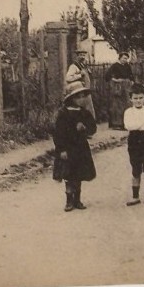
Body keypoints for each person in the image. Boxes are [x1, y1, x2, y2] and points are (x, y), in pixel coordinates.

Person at [51, 78, 98, 212]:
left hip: (81, 148)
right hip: (68, 148)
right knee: (68, 175)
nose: (81, 99)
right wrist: (61, 150)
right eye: (78, 97)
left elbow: (93, 128)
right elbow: (58, 134)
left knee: (78, 174)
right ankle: (69, 201)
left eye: (83, 96)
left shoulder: (84, 113)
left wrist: (85, 128)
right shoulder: (64, 114)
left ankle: (77, 199)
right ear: (71, 98)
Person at [123, 82, 144, 205]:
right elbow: (129, 126)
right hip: (134, 142)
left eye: (141, 98)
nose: (138, 101)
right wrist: (142, 124)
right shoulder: (128, 112)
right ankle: (135, 196)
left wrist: (137, 125)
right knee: (136, 169)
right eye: (135, 98)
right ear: (131, 99)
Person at [65, 47, 96, 120]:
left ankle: (90, 122)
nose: (82, 57)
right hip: (78, 91)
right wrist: (79, 75)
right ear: (77, 56)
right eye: (80, 55)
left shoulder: (84, 66)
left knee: (88, 107)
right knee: (81, 107)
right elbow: (68, 78)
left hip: (85, 90)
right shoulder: (73, 66)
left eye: (83, 55)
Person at [106, 51, 135, 131]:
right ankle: (117, 124)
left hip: (127, 87)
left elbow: (131, 75)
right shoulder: (115, 66)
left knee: (127, 103)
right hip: (118, 87)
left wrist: (132, 81)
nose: (125, 60)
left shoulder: (127, 66)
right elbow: (107, 76)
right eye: (124, 58)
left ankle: (126, 123)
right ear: (120, 58)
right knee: (117, 105)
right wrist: (115, 80)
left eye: (126, 58)